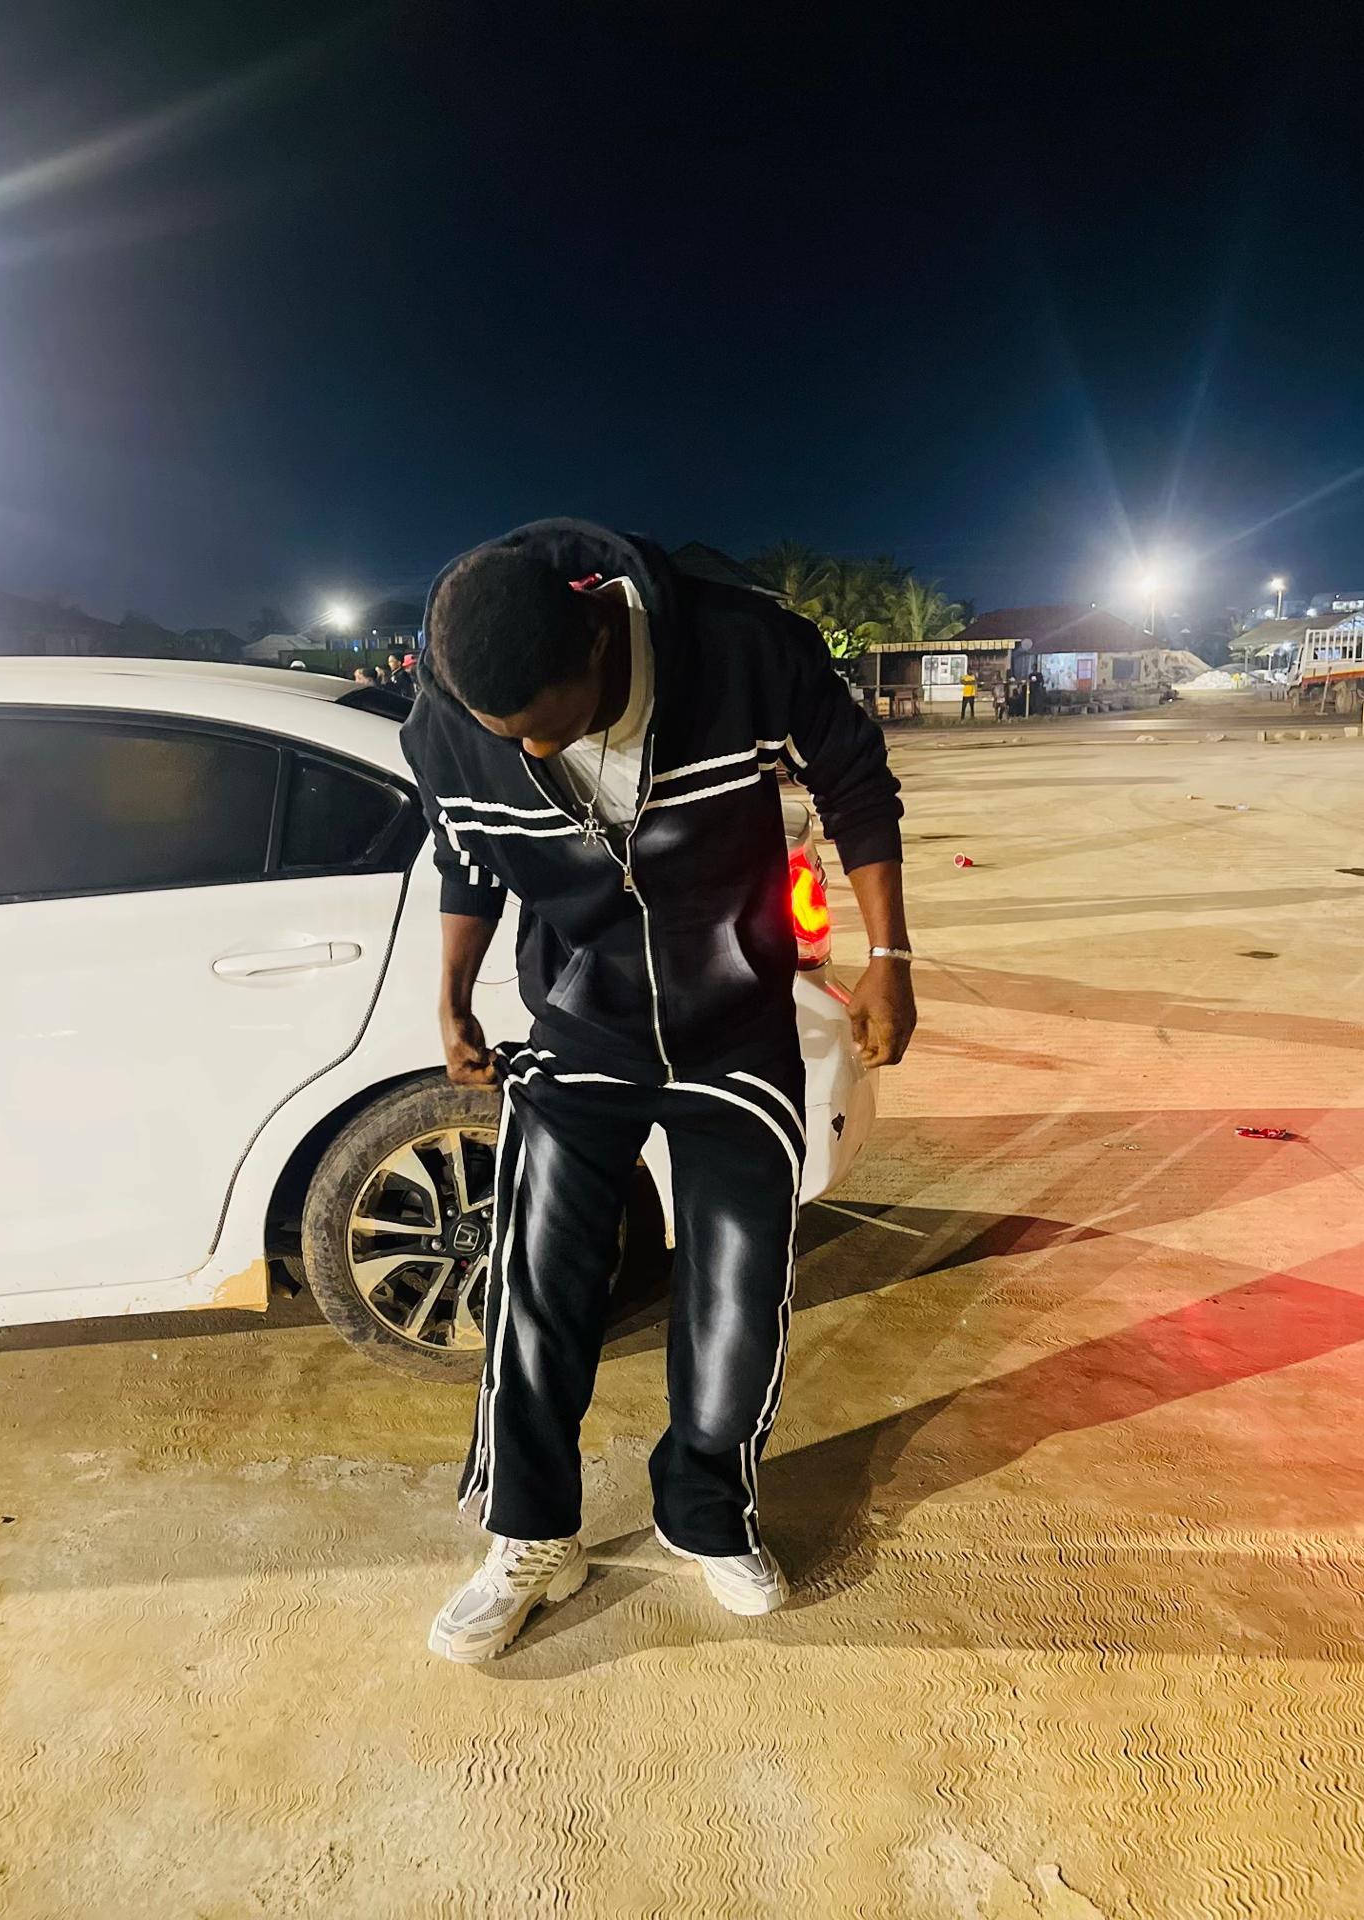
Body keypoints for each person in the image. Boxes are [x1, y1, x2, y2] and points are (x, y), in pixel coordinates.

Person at [402, 519, 916, 1664]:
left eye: (549, 727)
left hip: (736, 1028)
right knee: (535, 1286)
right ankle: (531, 1533)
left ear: (597, 636)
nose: (534, 753)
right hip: (578, 1022)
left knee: (738, 1291)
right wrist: (451, 996)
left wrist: (890, 957)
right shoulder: (449, 720)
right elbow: (466, 851)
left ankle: (706, 1512)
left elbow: (855, 778)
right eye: (510, 738)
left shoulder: (740, 651)